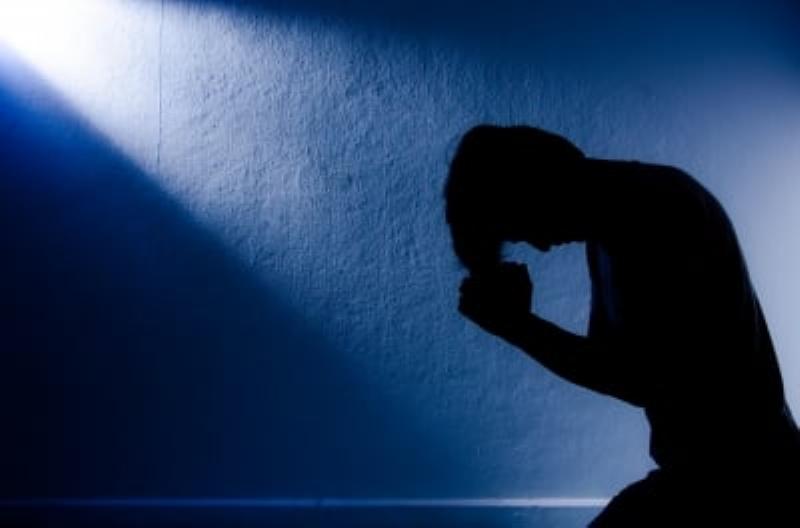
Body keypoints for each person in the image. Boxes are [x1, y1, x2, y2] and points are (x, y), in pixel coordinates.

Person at [445, 125, 800, 526]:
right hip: (721, 474)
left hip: (741, 479)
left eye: (526, 224)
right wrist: (519, 325)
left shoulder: (653, 212)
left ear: (536, 185)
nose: (541, 244)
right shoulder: (614, 225)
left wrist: (518, 327)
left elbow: (636, 378)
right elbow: (613, 364)